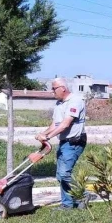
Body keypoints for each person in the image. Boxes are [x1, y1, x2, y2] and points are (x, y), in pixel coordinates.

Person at [35, 78, 87, 210]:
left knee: (64, 174)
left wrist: (48, 137)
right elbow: (55, 124)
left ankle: (83, 194)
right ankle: (68, 204)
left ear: (63, 88)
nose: (52, 91)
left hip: (75, 141)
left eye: (54, 89)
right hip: (64, 142)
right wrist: (43, 134)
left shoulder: (75, 101)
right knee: (60, 175)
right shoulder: (59, 104)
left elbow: (65, 124)